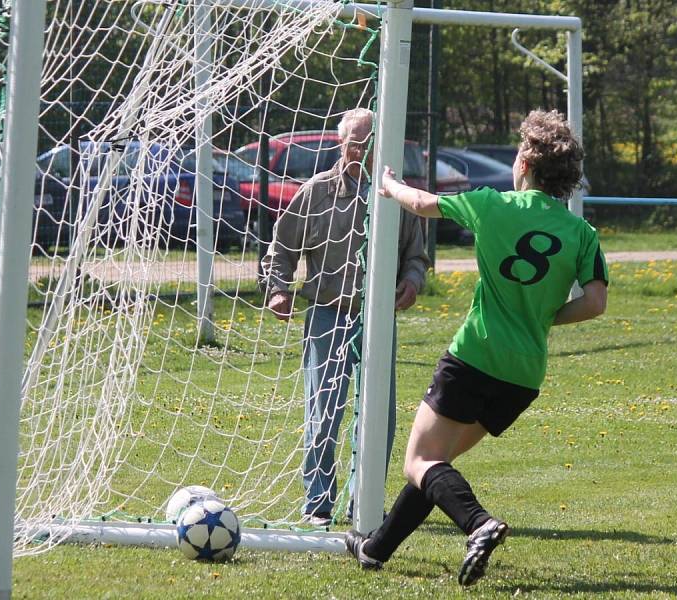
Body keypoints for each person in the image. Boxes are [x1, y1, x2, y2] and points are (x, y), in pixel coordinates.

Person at [345, 109, 609, 585]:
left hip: (475, 356)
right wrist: (545, 316)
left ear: (524, 165)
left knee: (419, 462)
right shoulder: (581, 233)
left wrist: (388, 186)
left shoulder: (493, 204)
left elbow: (424, 204)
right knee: (435, 467)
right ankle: (374, 548)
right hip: (524, 376)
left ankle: (479, 524)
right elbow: (594, 303)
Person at [261, 108, 429, 527]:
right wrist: (278, 288)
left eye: (368, 142)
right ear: (341, 143)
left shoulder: (398, 195)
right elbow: (280, 249)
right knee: (323, 413)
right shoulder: (315, 192)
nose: (361, 150)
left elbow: (416, 255)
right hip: (325, 314)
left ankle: (363, 503)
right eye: (354, 142)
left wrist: (412, 280)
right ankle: (317, 504)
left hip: (377, 321)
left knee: (378, 418)